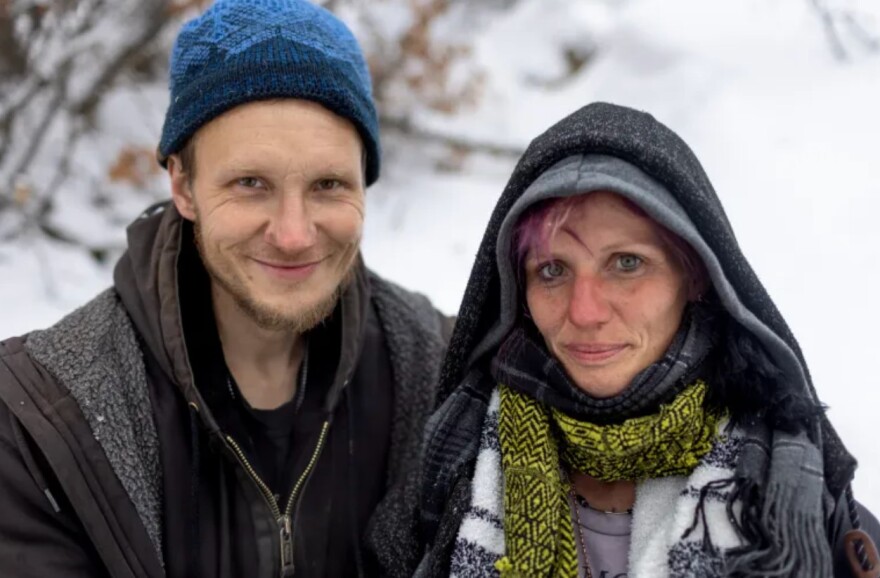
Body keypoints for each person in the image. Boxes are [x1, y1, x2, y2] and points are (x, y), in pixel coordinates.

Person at [0, 0, 451, 576]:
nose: (293, 234)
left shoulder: (441, 374)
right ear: (183, 185)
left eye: (328, 184)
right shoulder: (40, 424)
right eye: (251, 183)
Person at [393, 103, 880, 577]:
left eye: (626, 263)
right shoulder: (448, 475)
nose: (585, 312)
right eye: (552, 270)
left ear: (696, 277)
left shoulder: (797, 505)